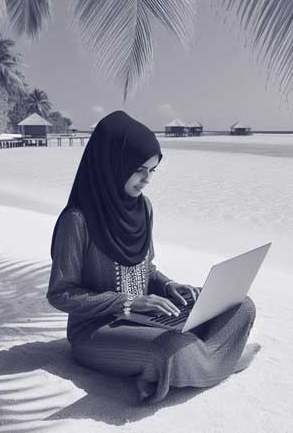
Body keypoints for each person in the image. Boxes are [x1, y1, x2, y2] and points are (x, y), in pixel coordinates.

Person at [47, 110, 260, 404]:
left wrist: (168, 285)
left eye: (153, 170)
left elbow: (145, 270)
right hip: (97, 330)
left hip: (148, 317)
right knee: (173, 347)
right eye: (139, 170)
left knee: (241, 306)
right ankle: (223, 362)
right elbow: (61, 294)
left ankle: (183, 367)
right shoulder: (77, 220)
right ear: (111, 164)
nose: (147, 179)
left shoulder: (143, 208)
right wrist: (128, 302)